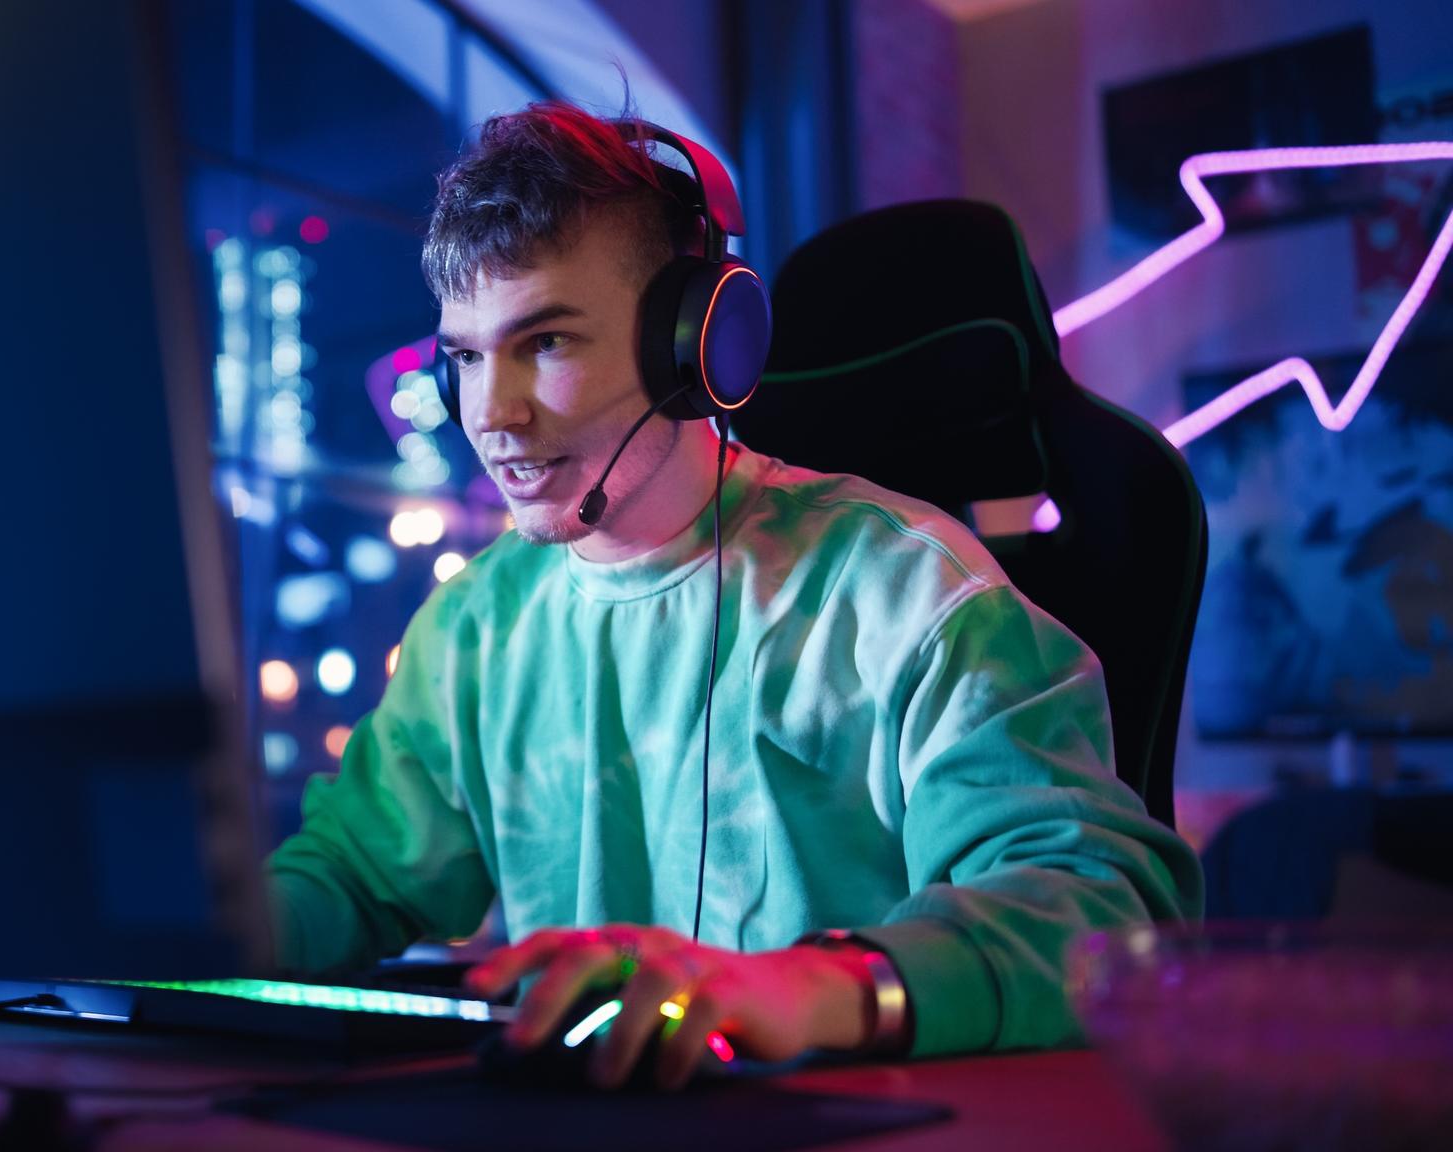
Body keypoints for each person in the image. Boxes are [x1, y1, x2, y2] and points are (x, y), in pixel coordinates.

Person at [265, 101, 1203, 1091]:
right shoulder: (475, 629)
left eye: (544, 343)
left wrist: (811, 988)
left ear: (697, 344)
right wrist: (149, 931)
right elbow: (343, 882)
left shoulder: (909, 593)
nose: (488, 414)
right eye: (463, 355)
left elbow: (1096, 912)